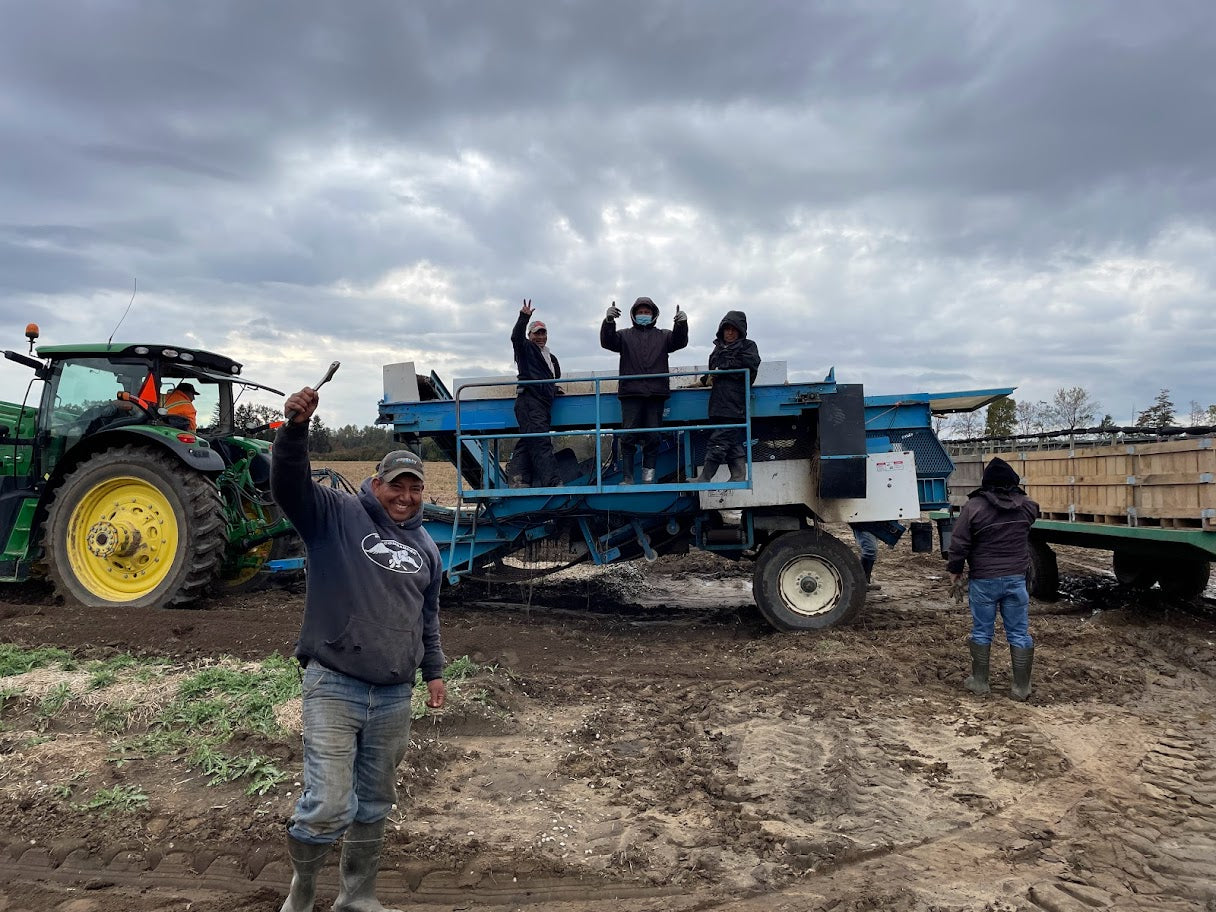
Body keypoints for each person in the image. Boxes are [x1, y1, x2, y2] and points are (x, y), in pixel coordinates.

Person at [270, 385, 446, 912]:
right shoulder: (336, 515)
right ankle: (302, 891)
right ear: (377, 484)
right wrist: (295, 432)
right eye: (397, 485)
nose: (406, 496)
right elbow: (289, 487)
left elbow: (428, 616)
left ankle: (358, 897)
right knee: (326, 805)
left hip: (395, 695)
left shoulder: (427, 548)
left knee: (374, 803)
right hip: (335, 684)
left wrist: (433, 671)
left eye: (415, 487)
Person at [947, 456, 1040, 701]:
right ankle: (1021, 688)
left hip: (984, 580)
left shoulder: (974, 508)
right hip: (1016, 580)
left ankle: (980, 682)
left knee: (982, 631)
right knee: (1019, 633)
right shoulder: (1028, 506)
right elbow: (1030, 519)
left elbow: (959, 543)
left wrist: (955, 569)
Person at [600, 296, 688, 483]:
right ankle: (628, 477)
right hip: (630, 393)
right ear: (633, 315)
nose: (643, 315)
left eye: (647, 312)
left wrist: (682, 324)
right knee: (627, 436)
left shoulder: (664, 335)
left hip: (656, 394)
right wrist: (608, 322)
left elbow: (679, 342)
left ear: (654, 314)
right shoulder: (623, 335)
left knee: (653, 437)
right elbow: (607, 342)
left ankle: (649, 477)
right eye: (640, 312)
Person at [695, 310, 760, 484]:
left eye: (734, 329)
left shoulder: (748, 347)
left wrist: (723, 367)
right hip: (717, 403)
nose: (730, 332)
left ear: (740, 331)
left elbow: (750, 364)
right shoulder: (717, 349)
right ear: (722, 330)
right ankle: (739, 475)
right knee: (730, 440)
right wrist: (702, 381)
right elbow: (712, 373)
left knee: (719, 441)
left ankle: (705, 478)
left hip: (734, 403)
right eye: (727, 329)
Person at [505, 298, 562, 488]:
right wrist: (523, 317)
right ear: (530, 335)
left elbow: (553, 379)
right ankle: (552, 483)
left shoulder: (550, 357)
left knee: (529, 440)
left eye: (543, 333)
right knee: (541, 442)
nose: (540, 337)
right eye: (536, 333)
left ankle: (518, 479)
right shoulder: (526, 349)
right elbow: (516, 338)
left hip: (543, 404)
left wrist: (554, 390)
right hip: (530, 401)